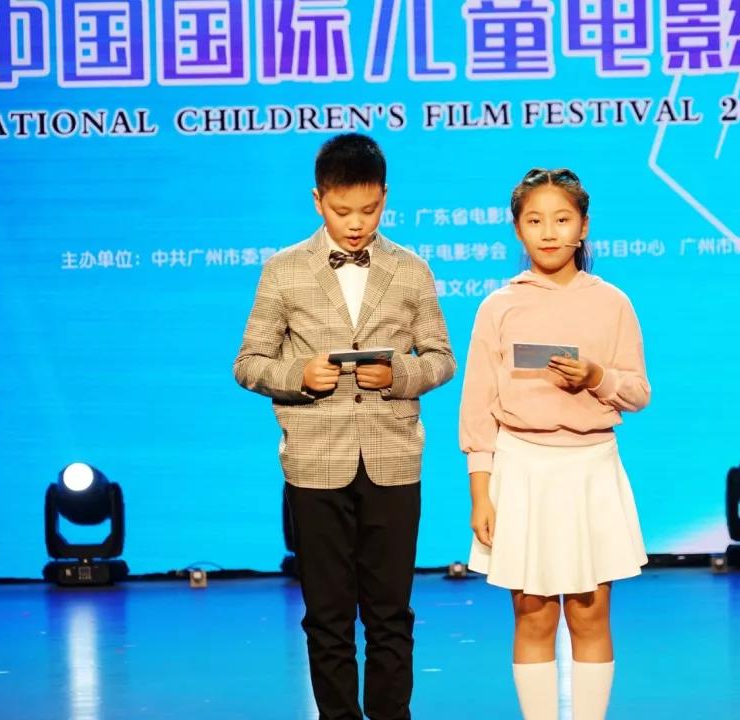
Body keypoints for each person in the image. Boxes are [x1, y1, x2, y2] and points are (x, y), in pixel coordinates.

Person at [234, 133, 455, 720]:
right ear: (318, 200)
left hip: (393, 459)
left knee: (390, 614)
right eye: (342, 210)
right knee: (327, 615)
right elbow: (248, 364)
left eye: (369, 209)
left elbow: (441, 358)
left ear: (385, 197)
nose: (356, 224)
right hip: (314, 461)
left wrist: (400, 374)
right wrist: (299, 375)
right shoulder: (283, 271)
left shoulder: (410, 270)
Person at [459, 167, 650, 720]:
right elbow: (477, 410)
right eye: (535, 220)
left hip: (592, 467)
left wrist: (596, 377)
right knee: (533, 613)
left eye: (562, 219)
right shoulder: (498, 306)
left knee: (590, 612)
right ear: (518, 229)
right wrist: (481, 493)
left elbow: (638, 392)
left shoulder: (612, 303)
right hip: (521, 468)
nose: (549, 232)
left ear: (583, 227)